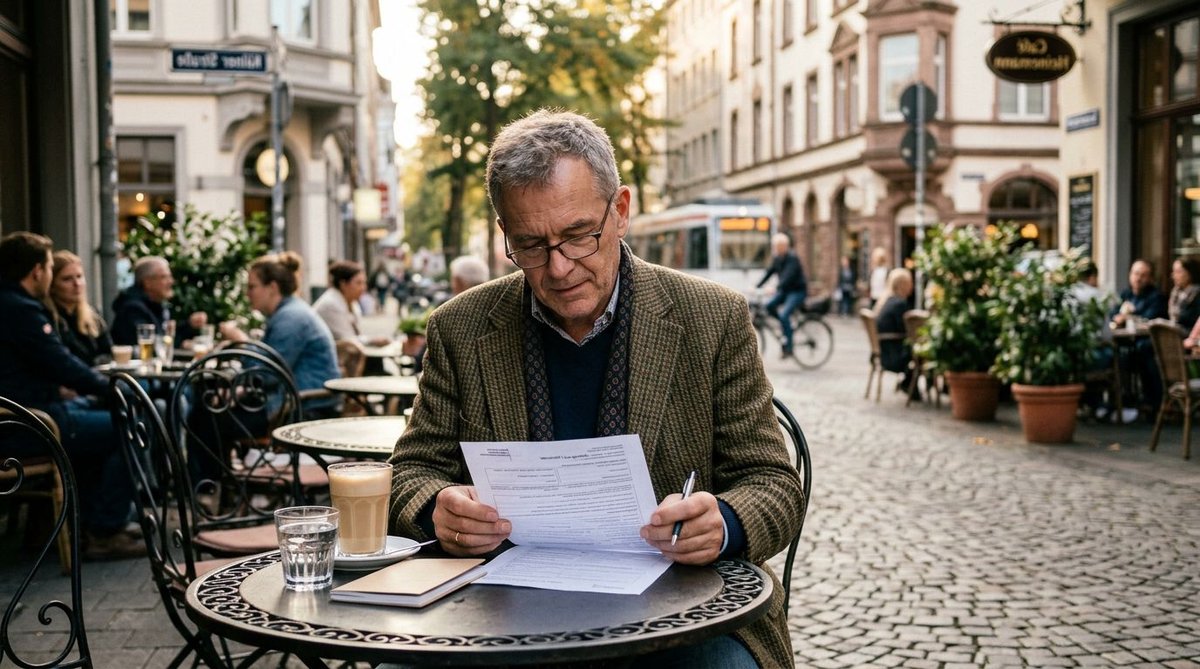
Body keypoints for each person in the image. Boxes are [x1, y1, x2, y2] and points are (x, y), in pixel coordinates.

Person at [388, 110, 804, 668]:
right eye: (531, 245)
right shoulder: (462, 327)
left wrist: (724, 523)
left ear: (622, 211)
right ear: (504, 234)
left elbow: (774, 484)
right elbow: (408, 474)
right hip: (500, 612)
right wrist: (436, 508)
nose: (559, 268)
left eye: (579, 236)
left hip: (679, 615)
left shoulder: (712, 317)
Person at [0, 232, 142, 559]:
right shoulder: (21, 310)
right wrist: (113, 391)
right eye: (50, 268)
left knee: (112, 421)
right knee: (130, 426)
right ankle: (105, 531)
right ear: (38, 271)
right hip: (30, 424)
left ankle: (92, 521)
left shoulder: (10, 306)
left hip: (27, 415)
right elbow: (63, 364)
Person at [219, 251, 341, 417]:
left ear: (272, 288)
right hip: (296, 401)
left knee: (212, 417)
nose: (247, 294)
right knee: (215, 411)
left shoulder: (291, 318)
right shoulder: (287, 313)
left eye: (252, 287)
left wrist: (241, 342)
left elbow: (266, 376)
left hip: (303, 409)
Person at [1109, 259, 1167, 417]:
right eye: (1135, 273)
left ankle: (1151, 401)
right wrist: (1120, 317)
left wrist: (1126, 317)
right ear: (1130, 275)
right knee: (1116, 353)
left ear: (1150, 278)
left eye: (1143, 275)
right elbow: (1113, 314)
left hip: (1150, 344)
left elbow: (1149, 318)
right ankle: (1123, 400)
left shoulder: (1156, 296)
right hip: (1128, 341)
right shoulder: (1125, 294)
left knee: (1144, 350)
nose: (1138, 278)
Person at [110, 256, 207, 346]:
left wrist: (189, 326)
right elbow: (153, 345)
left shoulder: (156, 305)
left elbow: (163, 336)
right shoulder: (132, 309)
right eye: (164, 277)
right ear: (147, 283)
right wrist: (181, 343)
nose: (171, 281)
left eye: (170, 276)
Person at [46, 250, 113, 366]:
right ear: (52, 285)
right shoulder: (48, 317)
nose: (77, 284)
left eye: (79, 276)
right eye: (67, 279)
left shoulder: (92, 316)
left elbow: (110, 352)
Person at [756, 233, 808, 358]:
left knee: (785, 315)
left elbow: (787, 277)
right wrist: (757, 286)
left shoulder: (792, 258)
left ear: (784, 246)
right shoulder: (777, 258)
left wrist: (775, 288)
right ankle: (785, 326)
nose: (775, 249)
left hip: (797, 291)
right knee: (768, 306)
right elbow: (769, 272)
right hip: (785, 291)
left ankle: (789, 347)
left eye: (777, 246)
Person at [313, 260, 389, 344]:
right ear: (343, 284)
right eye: (358, 283)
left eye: (364, 283)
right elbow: (348, 340)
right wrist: (373, 340)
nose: (363, 288)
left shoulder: (352, 303)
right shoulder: (331, 305)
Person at [875, 268, 918, 399]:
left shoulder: (886, 301)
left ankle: (908, 384)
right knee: (920, 352)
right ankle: (910, 386)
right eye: (911, 282)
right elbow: (906, 331)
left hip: (885, 352)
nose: (913, 286)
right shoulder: (899, 304)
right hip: (894, 356)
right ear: (904, 284)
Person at [1168, 258, 1200, 332]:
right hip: (1175, 332)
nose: (1173, 275)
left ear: (1190, 273)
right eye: (1174, 271)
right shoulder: (1175, 292)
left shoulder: (1197, 293)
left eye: (1178, 272)